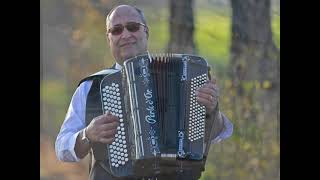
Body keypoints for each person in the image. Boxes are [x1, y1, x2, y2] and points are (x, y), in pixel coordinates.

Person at [55, 4, 233, 180]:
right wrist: (87, 134)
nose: (125, 35)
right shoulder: (91, 87)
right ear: (108, 39)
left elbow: (217, 133)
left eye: (132, 27)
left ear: (146, 32)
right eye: (116, 30)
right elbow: (62, 147)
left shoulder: (184, 75)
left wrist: (211, 110)